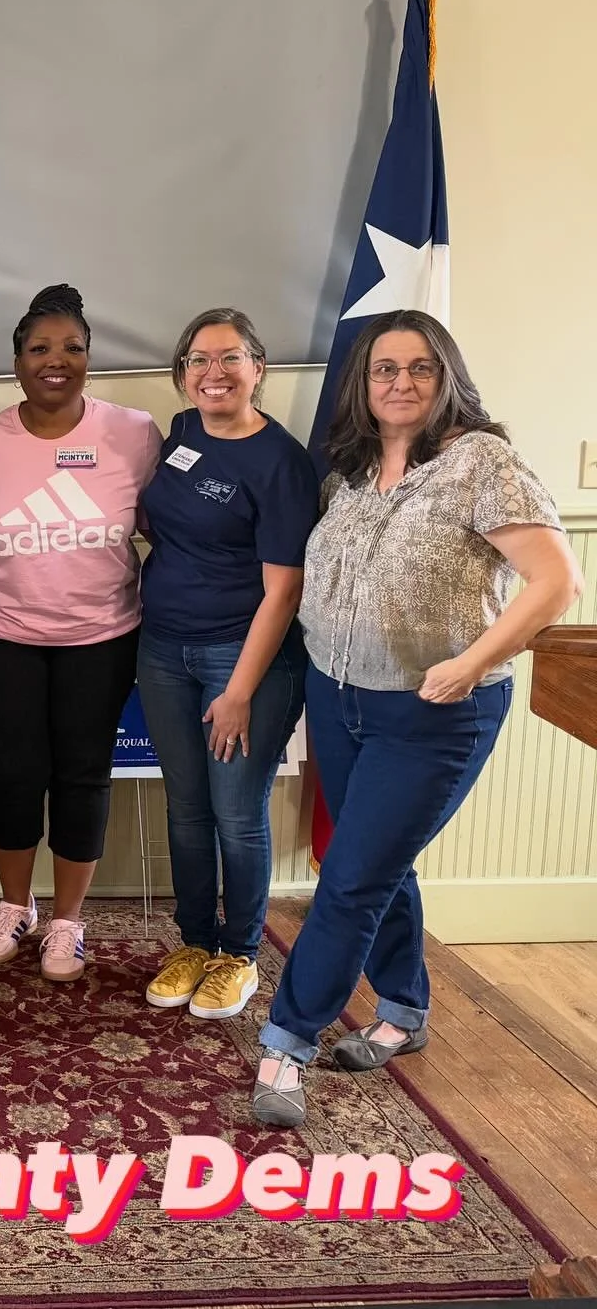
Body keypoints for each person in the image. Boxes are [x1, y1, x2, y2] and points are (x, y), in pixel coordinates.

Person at [252, 309, 582, 1127]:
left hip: (437, 711)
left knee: (353, 874)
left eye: (420, 368)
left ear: (447, 379)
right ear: (364, 386)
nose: (401, 383)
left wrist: (471, 661)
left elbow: (554, 581)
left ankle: (286, 1043)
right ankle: (403, 1006)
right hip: (339, 695)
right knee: (376, 858)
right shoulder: (350, 474)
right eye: (385, 370)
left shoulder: (482, 463)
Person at [0, 284, 162, 980]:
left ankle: (68, 921)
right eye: (41, 348)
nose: (57, 360)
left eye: (72, 347)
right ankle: (15, 905)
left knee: (82, 775)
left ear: (89, 357)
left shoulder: (133, 433)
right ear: (16, 361)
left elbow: (161, 531)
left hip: (102, 638)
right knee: (10, 773)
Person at [138, 310, 317, 1020]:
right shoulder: (182, 432)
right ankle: (193, 942)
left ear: (258, 367)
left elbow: (285, 588)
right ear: (183, 373)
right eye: (199, 359)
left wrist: (240, 689)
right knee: (186, 808)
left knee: (236, 813)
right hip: (162, 649)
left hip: (243, 659)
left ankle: (238, 953)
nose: (215, 372)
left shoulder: (282, 462)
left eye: (230, 357)